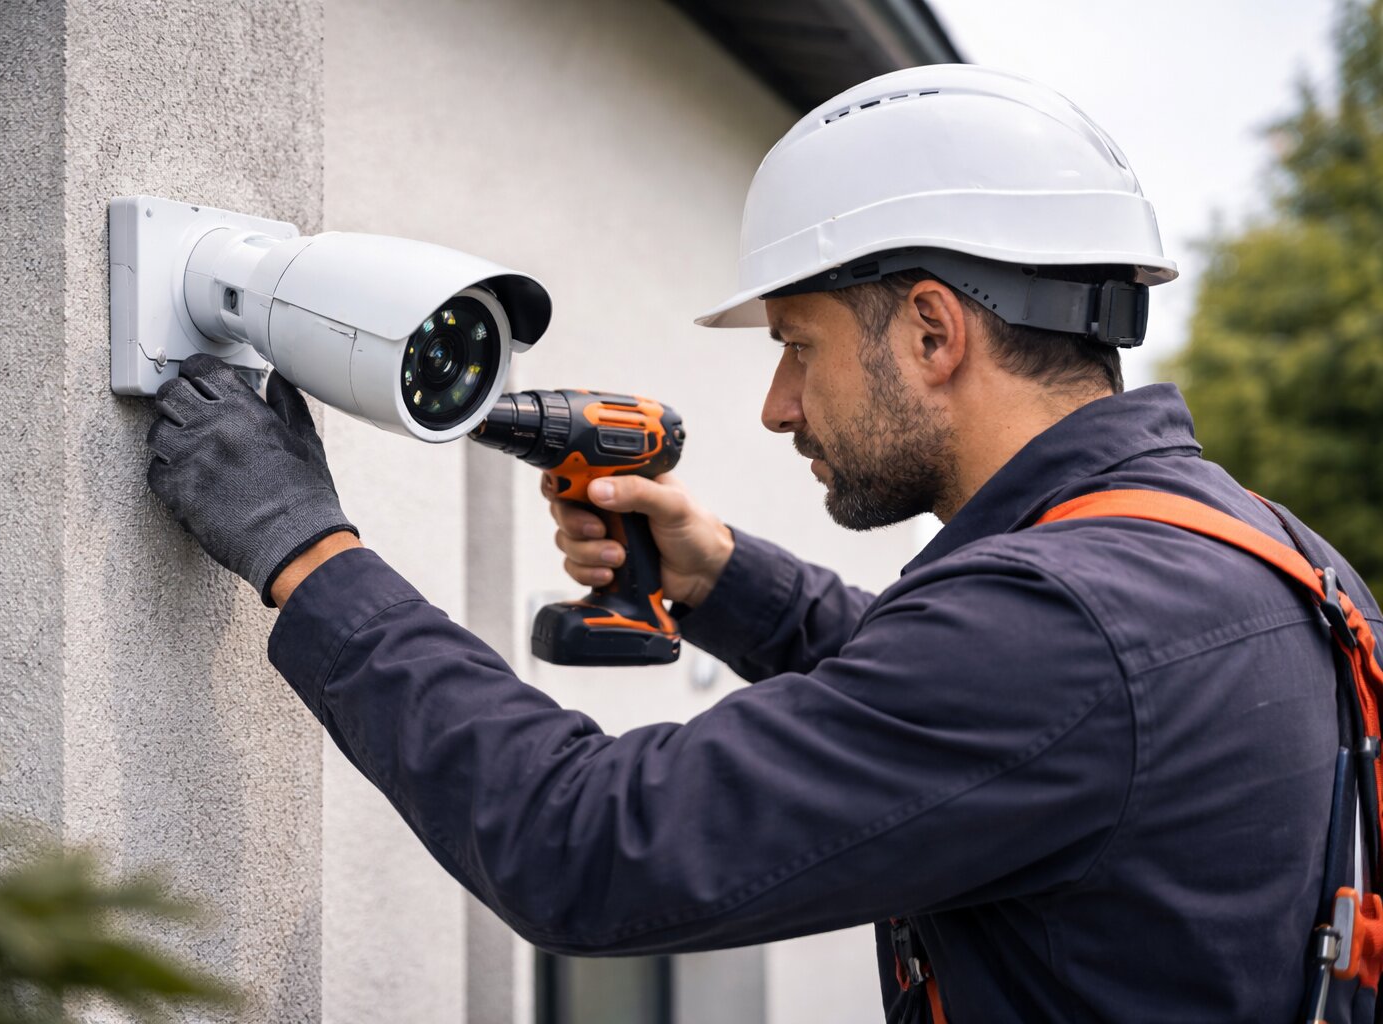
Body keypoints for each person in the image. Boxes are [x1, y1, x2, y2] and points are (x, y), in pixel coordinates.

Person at [145, 65, 1383, 1022]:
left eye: (797, 343)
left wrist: (307, 552)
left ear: (935, 332)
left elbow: (589, 846)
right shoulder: (1266, 557)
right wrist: (728, 579)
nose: (778, 404)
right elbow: (985, 724)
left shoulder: (1062, 632)